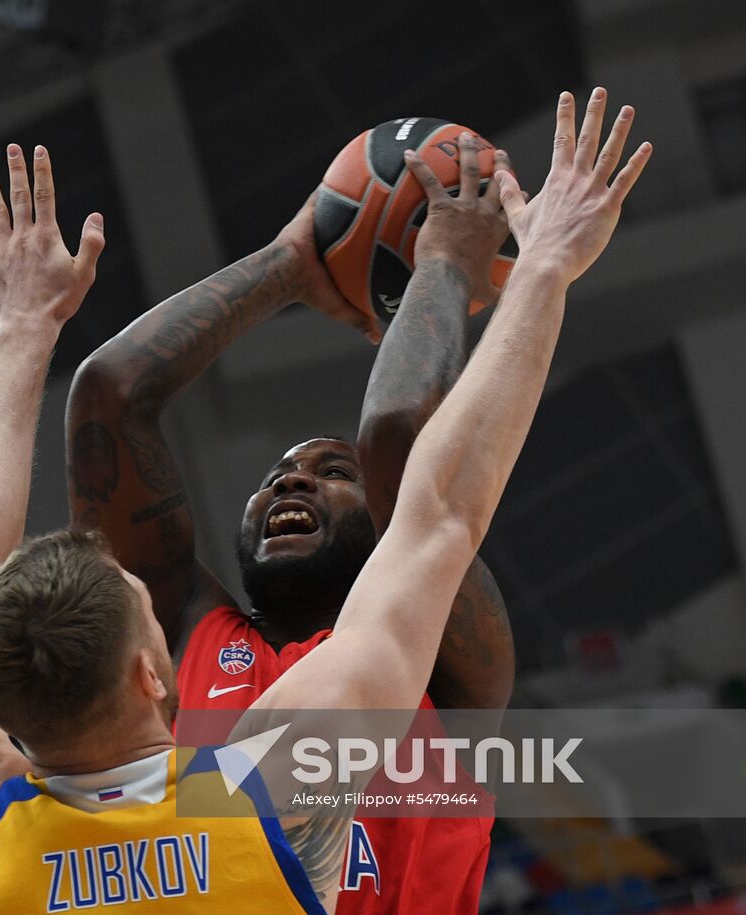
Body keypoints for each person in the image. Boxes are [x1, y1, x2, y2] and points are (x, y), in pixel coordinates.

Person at [0, 93, 650, 914]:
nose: (289, 481)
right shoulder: (275, 777)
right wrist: (518, 268)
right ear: (154, 672)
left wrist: (26, 328)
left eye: (329, 472)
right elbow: (428, 494)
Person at [66, 122, 521, 911]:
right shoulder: (182, 633)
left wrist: (444, 262)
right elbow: (109, 395)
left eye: (329, 473)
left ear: (389, 522)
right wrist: (290, 264)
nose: (290, 484)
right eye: (275, 477)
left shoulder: (449, 664)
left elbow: (397, 439)